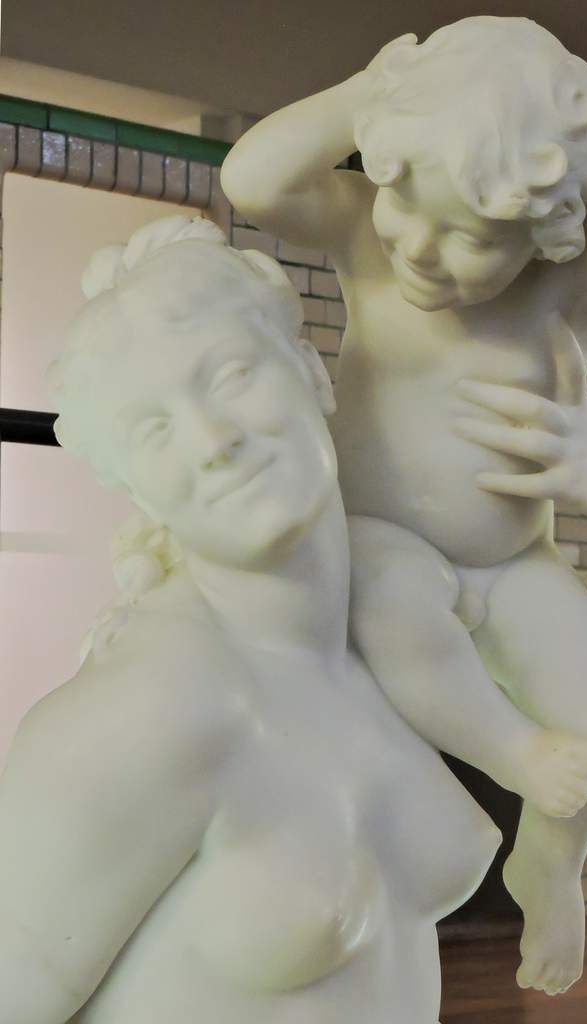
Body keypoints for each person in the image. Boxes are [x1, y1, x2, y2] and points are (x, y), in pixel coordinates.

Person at [221, 15, 587, 994]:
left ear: (549, 233)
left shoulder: (564, 292)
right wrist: (375, 93)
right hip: (379, 540)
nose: (424, 250)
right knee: (394, 597)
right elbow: (253, 178)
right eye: (407, 207)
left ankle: (549, 866)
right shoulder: (365, 241)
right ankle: (516, 754)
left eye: (473, 238)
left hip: (514, 562)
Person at [0, 215, 502, 1024]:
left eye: (230, 375)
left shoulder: (401, 634)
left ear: (311, 373)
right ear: (133, 484)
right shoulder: (148, 709)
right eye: (154, 429)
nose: (213, 441)